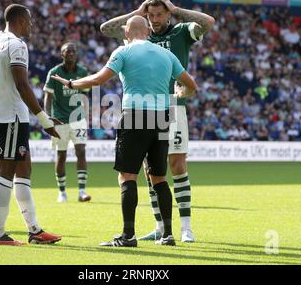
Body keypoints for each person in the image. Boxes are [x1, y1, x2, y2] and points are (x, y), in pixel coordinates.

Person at [51, 16, 197, 247]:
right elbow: (191, 85)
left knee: (127, 176)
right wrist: (181, 94)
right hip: (162, 118)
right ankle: (168, 234)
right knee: (159, 178)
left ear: (127, 33)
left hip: (135, 116)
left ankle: (128, 236)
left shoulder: (124, 52)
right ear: (148, 32)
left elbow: (98, 80)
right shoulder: (167, 55)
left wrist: (70, 84)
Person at [100, 0, 215, 243]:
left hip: (173, 106)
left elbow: (208, 22)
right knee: (150, 170)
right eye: (150, 15)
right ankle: (160, 227)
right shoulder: (140, 37)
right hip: (147, 110)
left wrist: (176, 9)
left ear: (168, 14)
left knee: (176, 164)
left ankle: (185, 227)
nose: (154, 20)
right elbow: (105, 28)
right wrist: (137, 10)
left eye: (159, 14)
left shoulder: (182, 32)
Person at [0, 4, 63, 246]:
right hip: (11, 117)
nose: (32, 25)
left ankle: (34, 230)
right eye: (29, 20)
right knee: (5, 172)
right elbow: (22, 84)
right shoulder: (16, 44)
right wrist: (44, 119)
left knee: (23, 169)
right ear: (19, 21)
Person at [43, 42, 91, 203]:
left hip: (78, 119)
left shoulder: (83, 71)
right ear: (62, 54)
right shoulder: (55, 72)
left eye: (73, 51)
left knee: (81, 151)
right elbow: (48, 97)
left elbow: (85, 95)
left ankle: (82, 191)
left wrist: (86, 114)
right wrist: (47, 117)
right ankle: (62, 192)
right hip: (59, 119)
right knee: (61, 155)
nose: (70, 53)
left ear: (76, 54)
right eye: (67, 51)